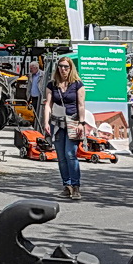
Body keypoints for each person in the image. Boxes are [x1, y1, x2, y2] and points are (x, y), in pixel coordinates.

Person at [42, 56, 86, 200]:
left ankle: (75, 186)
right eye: (61, 66)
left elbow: (81, 105)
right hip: (58, 122)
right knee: (61, 156)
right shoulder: (52, 84)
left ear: (71, 68)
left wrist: (81, 123)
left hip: (73, 121)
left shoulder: (77, 84)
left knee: (70, 154)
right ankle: (66, 185)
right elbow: (48, 104)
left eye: (66, 67)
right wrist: (46, 122)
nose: (63, 69)